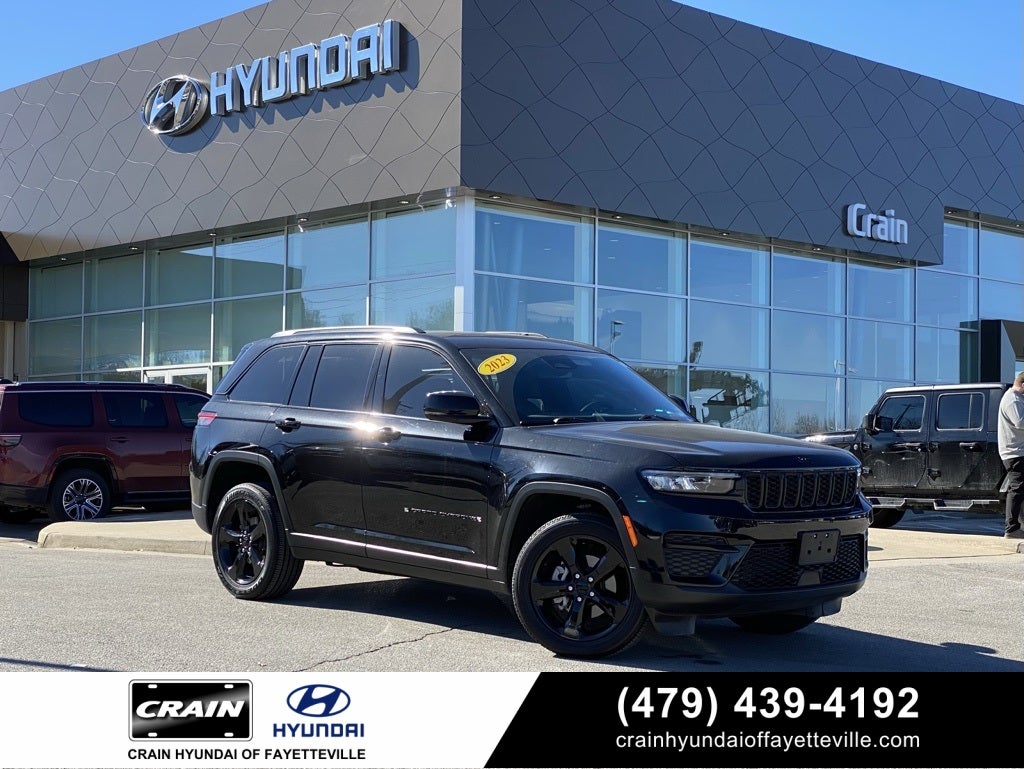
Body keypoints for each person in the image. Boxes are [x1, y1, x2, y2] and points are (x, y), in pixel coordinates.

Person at [997, 371, 1024, 538]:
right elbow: (1020, 422)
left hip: (1018, 451)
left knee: (1021, 489)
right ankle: (1011, 528)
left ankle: (1017, 526)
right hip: (1014, 452)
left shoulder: (1017, 398)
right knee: (1017, 488)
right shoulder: (1012, 399)